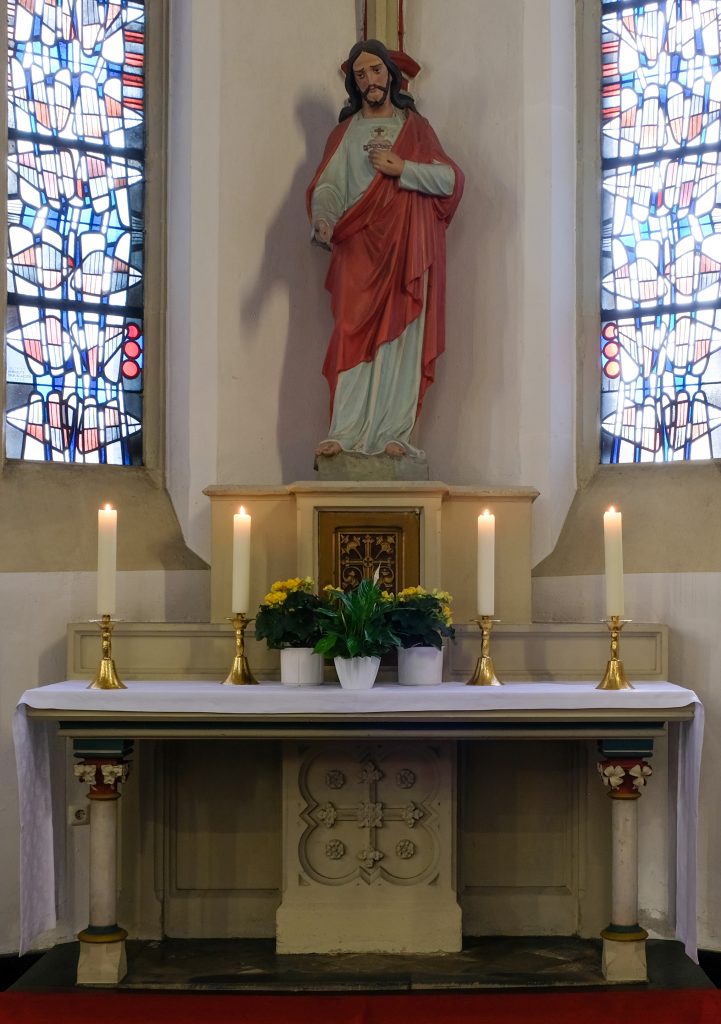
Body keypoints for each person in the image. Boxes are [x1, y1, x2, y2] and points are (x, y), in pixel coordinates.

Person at [308, 39, 463, 459]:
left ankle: (394, 431)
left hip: (406, 246)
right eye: (360, 75)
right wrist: (323, 218)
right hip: (357, 248)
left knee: (402, 339)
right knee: (349, 334)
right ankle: (344, 430)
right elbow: (328, 186)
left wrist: (404, 169)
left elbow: (450, 181)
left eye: (376, 71)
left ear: (390, 76)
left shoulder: (416, 129)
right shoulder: (344, 132)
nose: (369, 81)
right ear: (354, 84)